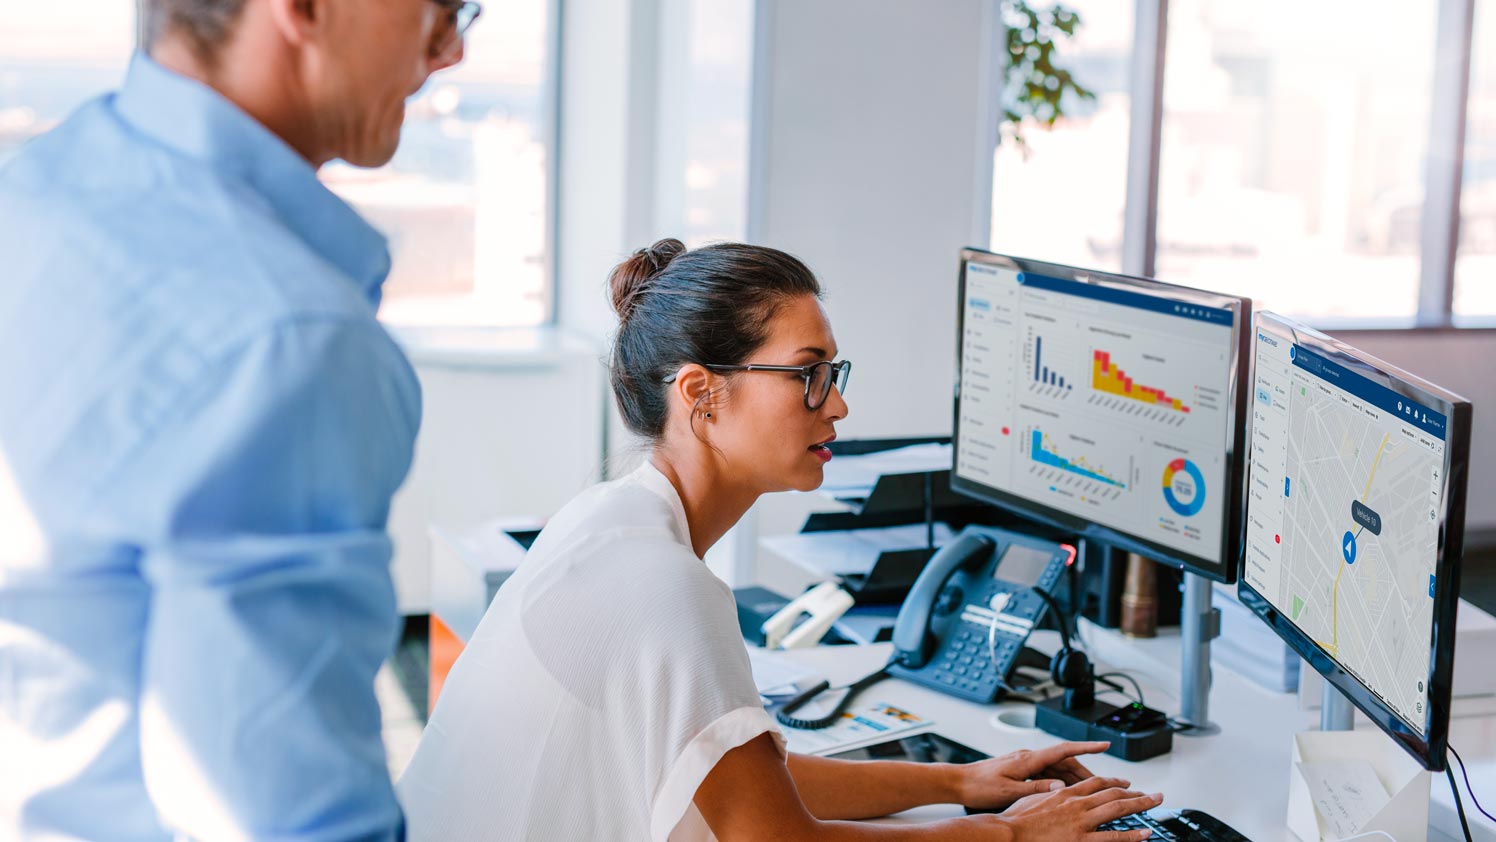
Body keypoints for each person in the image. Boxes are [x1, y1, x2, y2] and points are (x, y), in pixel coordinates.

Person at [395, 238, 1163, 841]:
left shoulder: (609, 520)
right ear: (701, 394)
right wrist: (1008, 837)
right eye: (809, 374)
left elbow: (748, 782)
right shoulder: (658, 584)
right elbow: (776, 835)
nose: (839, 406)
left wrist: (964, 783)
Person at [0, 1, 477, 838]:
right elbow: (288, 821)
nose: (453, 48)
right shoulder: (287, 337)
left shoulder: (33, 191)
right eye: (441, 6)